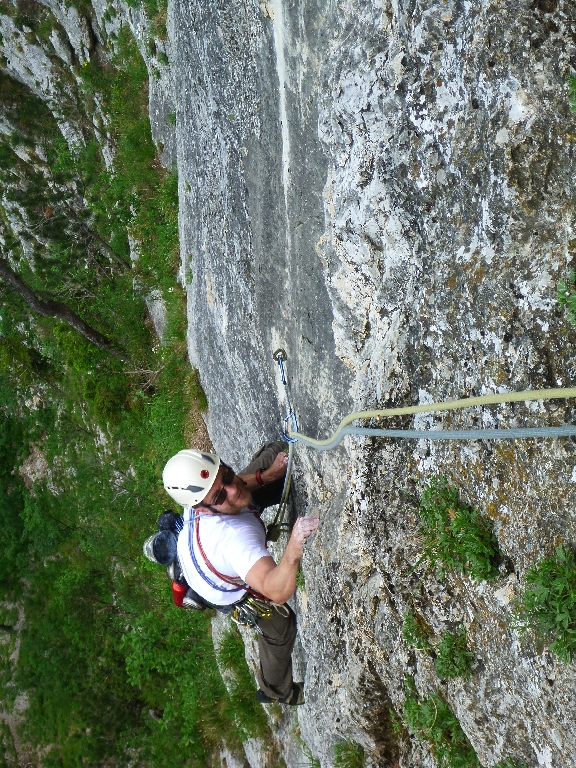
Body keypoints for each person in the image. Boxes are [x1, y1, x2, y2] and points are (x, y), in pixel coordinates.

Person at [145, 443, 319, 706]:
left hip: (201, 549)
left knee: (273, 456)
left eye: (226, 475)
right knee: (280, 627)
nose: (233, 489)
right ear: (201, 509)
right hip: (220, 588)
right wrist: (294, 543)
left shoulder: (203, 491)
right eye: (218, 497)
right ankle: (276, 691)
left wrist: (268, 475)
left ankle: (262, 474)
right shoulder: (234, 540)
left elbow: (228, 489)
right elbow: (276, 589)